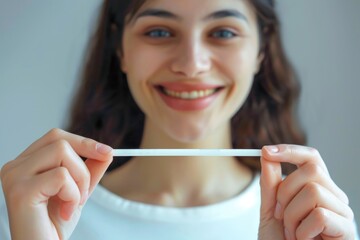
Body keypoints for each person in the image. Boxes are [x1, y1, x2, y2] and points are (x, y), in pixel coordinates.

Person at [0, 0, 358, 239]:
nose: (191, 64)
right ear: (121, 49)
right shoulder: (32, 218)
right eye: (159, 32)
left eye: (223, 33)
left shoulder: (314, 223)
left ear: (260, 51)